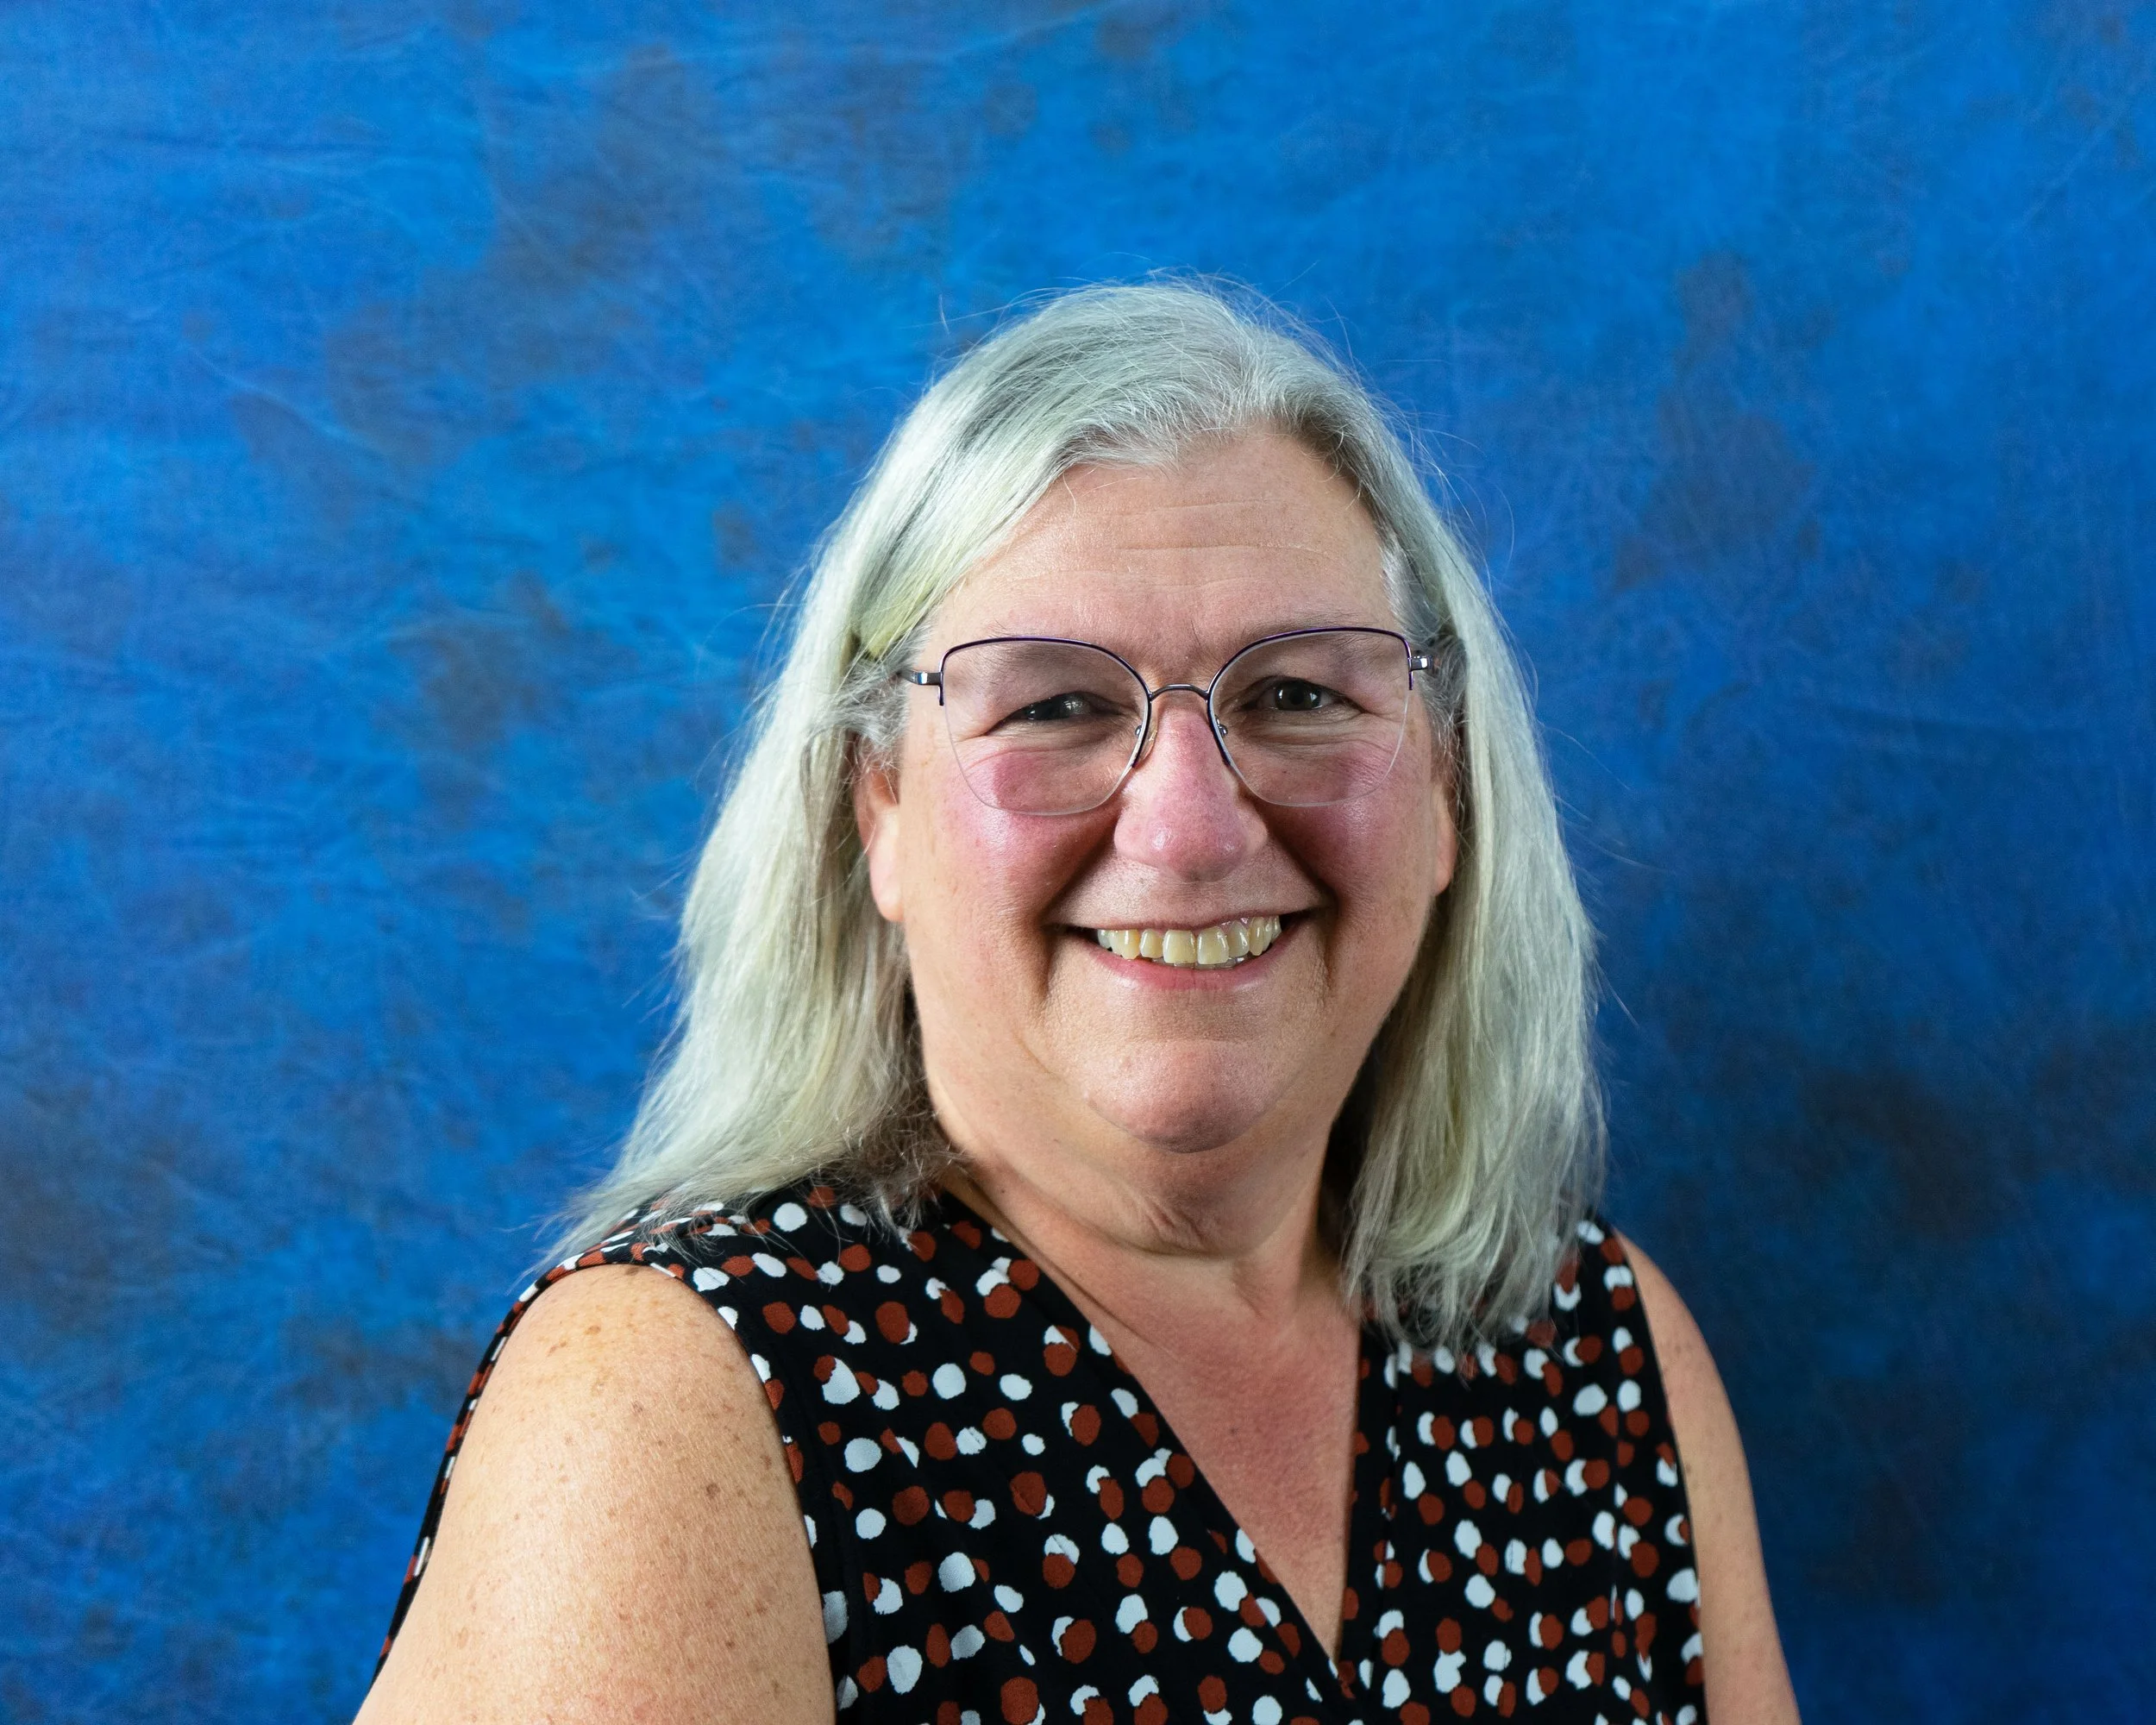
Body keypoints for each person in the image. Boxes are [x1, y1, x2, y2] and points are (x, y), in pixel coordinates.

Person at [357, 283, 1798, 1725]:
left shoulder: (1593, 1355)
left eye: (1297, 695)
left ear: (1444, 793)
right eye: (1053, 705)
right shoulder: (671, 1416)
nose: (1187, 827)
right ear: (881, 810)